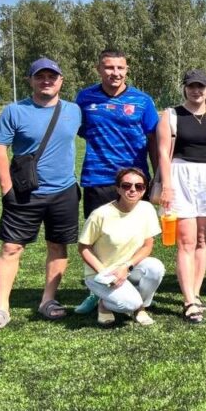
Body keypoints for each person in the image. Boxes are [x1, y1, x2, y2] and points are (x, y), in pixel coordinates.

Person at [0, 57, 83, 331]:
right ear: (31, 80)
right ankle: (1, 307)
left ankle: (48, 300)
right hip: (25, 192)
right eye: (40, 76)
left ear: (61, 80)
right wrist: (7, 189)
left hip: (64, 191)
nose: (46, 81)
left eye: (52, 76)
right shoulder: (14, 111)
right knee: (11, 248)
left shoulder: (74, 110)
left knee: (57, 246)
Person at [73, 49, 159, 316]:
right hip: (97, 177)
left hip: (135, 182)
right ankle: (97, 290)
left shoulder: (142, 101)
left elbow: (154, 139)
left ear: (127, 69)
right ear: (99, 69)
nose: (115, 73)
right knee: (98, 240)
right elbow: (79, 130)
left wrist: (158, 176)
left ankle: (129, 284)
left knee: (136, 238)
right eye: (109, 67)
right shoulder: (85, 98)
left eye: (120, 67)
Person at [157, 69, 206, 324]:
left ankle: (196, 293)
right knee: (186, 241)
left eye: (201, 86)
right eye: (191, 86)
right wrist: (167, 187)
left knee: (202, 239)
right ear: (185, 88)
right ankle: (188, 300)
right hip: (180, 177)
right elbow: (163, 153)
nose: (196, 91)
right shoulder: (171, 115)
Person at [77, 167, 164, 326]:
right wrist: (104, 273)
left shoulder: (147, 209)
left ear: (144, 190)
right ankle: (104, 303)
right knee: (128, 304)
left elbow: (147, 246)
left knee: (156, 268)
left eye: (139, 186)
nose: (133, 190)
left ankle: (140, 307)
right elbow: (84, 247)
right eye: (126, 185)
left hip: (128, 267)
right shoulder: (100, 214)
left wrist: (126, 266)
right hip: (102, 272)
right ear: (118, 188)